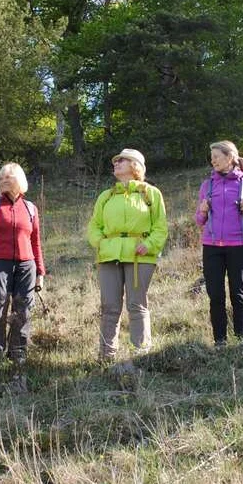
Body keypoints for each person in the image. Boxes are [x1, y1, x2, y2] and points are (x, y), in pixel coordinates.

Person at [86, 148, 169, 363]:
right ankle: (106, 356)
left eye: (121, 160)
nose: (116, 162)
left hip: (140, 256)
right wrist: (101, 244)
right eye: (115, 160)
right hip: (109, 256)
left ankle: (141, 354)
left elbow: (160, 227)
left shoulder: (151, 193)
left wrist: (149, 245)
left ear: (135, 166)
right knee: (109, 307)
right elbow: (94, 226)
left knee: (136, 304)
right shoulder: (106, 196)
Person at [0, 163, 46, 382]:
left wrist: (40, 271)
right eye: (1, 177)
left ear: (20, 180)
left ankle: (19, 355)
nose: (4, 179)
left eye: (8, 176)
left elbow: (36, 242)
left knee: (22, 310)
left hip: (26, 265)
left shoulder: (30, 208)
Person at [195, 141, 243, 345]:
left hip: (238, 246)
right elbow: (199, 221)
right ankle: (220, 342)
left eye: (217, 156)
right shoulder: (207, 185)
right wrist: (203, 210)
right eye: (212, 156)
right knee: (215, 295)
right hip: (212, 247)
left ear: (230, 157)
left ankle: (241, 340)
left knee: (238, 294)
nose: (213, 160)